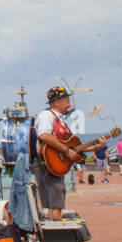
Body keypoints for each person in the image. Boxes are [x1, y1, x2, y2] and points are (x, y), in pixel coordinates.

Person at [33, 85, 104, 219]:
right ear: (55, 103)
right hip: (48, 164)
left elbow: (73, 148)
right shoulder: (47, 115)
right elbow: (44, 135)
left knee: (55, 202)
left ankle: (53, 231)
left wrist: (94, 148)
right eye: (65, 99)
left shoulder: (60, 120)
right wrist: (66, 151)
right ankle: (55, 234)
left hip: (55, 164)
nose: (68, 101)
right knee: (55, 201)